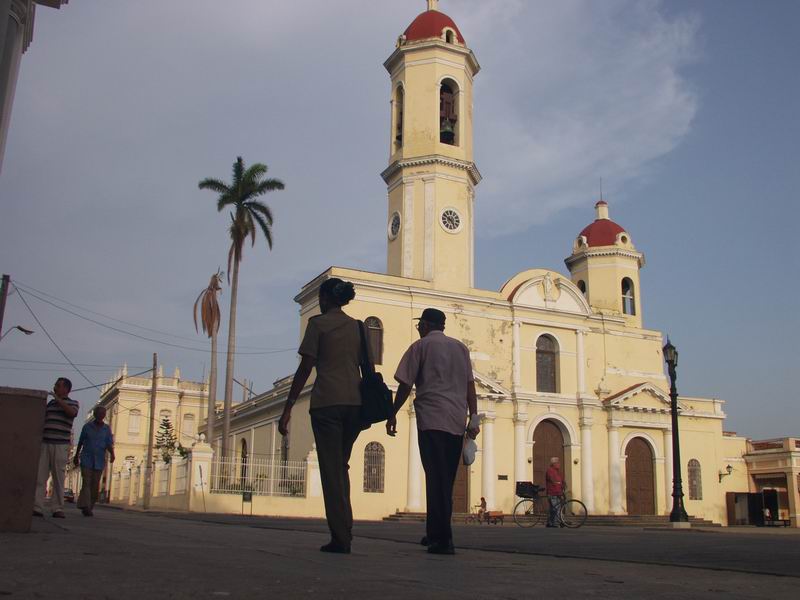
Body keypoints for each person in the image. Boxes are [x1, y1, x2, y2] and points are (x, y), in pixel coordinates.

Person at [278, 278, 364, 554]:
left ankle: (340, 536)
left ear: (326, 298)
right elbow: (368, 369)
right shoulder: (358, 327)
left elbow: (305, 368)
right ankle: (345, 526)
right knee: (341, 466)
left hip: (327, 402)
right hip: (354, 404)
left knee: (330, 469)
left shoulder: (317, 325)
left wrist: (289, 406)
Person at [388, 308, 480, 555]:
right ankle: (434, 532)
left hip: (431, 420)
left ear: (426, 325)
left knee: (435, 478)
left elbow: (405, 384)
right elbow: (470, 386)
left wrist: (393, 412)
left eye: (420, 324)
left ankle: (443, 539)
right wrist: (474, 417)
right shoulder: (461, 349)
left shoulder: (420, 347)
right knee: (445, 479)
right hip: (455, 422)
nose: (419, 328)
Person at [34, 377, 79, 518]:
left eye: (58, 385)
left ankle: (57, 508)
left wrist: (58, 399)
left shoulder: (73, 403)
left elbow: (72, 413)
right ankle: (37, 507)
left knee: (58, 478)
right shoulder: (51, 404)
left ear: (66, 389)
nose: (55, 387)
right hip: (45, 443)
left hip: (60, 445)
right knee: (40, 477)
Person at [74, 405, 115, 516]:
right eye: (99, 413)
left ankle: (89, 506)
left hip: (99, 460)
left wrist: (112, 454)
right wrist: (76, 455)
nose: (101, 415)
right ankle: (86, 506)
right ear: (95, 414)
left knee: (95, 484)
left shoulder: (106, 429)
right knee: (87, 482)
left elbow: (108, 443)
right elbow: (81, 441)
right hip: (86, 458)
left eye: (103, 413)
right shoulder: (87, 427)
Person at [545, 456, 565, 528]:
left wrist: (563, 485)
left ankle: (550, 522)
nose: (559, 464)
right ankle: (556, 523)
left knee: (553, 509)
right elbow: (552, 480)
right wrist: (558, 483)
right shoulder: (550, 471)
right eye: (558, 463)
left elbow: (562, 481)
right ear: (554, 464)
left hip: (558, 492)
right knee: (556, 508)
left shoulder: (558, 472)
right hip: (552, 492)